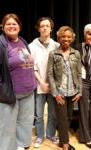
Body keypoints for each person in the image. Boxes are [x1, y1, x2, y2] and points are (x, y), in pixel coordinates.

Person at [0, 13, 36, 150]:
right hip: (10, 94)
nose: (11, 26)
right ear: (3, 27)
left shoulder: (22, 41)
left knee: (25, 122)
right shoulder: (1, 44)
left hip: (28, 91)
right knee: (7, 126)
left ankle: (21, 145)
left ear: (19, 27)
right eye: (8, 24)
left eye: (14, 24)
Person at [47, 26, 82, 150]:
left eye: (68, 36)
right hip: (60, 92)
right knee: (62, 119)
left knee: (68, 118)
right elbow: (50, 74)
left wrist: (80, 91)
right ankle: (66, 146)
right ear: (59, 38)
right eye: (63, 36)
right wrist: (55, 93)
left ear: (72, 38)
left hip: (72, 92)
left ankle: (62, 140)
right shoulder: (53, 53)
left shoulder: (76, 53)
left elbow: (79, 73)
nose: (66, 39)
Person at [29, 17, 59, 148]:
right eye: (42, 26)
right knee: (39, 114)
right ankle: (40, 136)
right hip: (39, 85)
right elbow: (31, 67)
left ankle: (51, 134)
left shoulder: (57, 46)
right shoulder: (31, 46)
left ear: (51, 28)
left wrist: (52, 85)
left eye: (47, 26)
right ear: (38, 28)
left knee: (53, 113)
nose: (45, 28)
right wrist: (41, 83)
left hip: (54, 87)